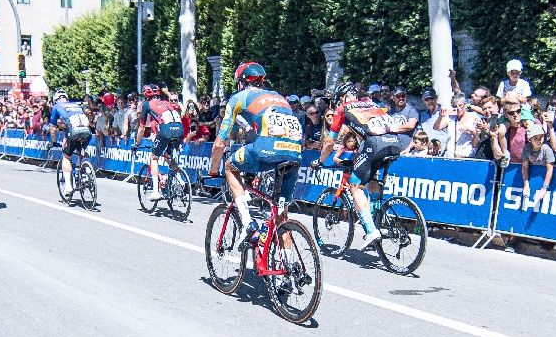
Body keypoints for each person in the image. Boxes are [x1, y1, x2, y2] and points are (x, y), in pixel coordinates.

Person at [209, 62, 303, 246]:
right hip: (295, 153)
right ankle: (288, 259)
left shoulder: (239, 98)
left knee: (230, 167)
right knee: (281, 216)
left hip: (266, 150)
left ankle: (247, 224)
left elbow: (219, 143)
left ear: (241, 82)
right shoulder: (281, 99)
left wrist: (213, 170)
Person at [321, 82, 407, 249]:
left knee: (355, 185)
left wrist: (320, 161)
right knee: (371, 177)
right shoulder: (371, 104)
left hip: (375, 144)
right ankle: (375, 216)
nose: (338, 104)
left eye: (339, 100)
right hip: (395, 143)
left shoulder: (342, 109)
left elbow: (330, 142)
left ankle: (371, 230)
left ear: (343, 98)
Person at [139, 83, 187, 190]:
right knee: (168, 156)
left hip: (166, 130)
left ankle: (156, 191)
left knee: (154, 157)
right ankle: (180, 179)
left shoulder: (147, 104)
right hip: (180, 130)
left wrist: (137, 143)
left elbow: (141, 127)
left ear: (146, 95)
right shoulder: (167, 103)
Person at [49, 91, 93, 194]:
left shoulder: (56, 107)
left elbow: (53, 128)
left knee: (66, 157)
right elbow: (88, 113)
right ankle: (86, 172)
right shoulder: (76, 104)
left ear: (55, 100)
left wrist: (53, 142)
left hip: (73, 131)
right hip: (87, 131)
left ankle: (68, 186)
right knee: (81, 151)